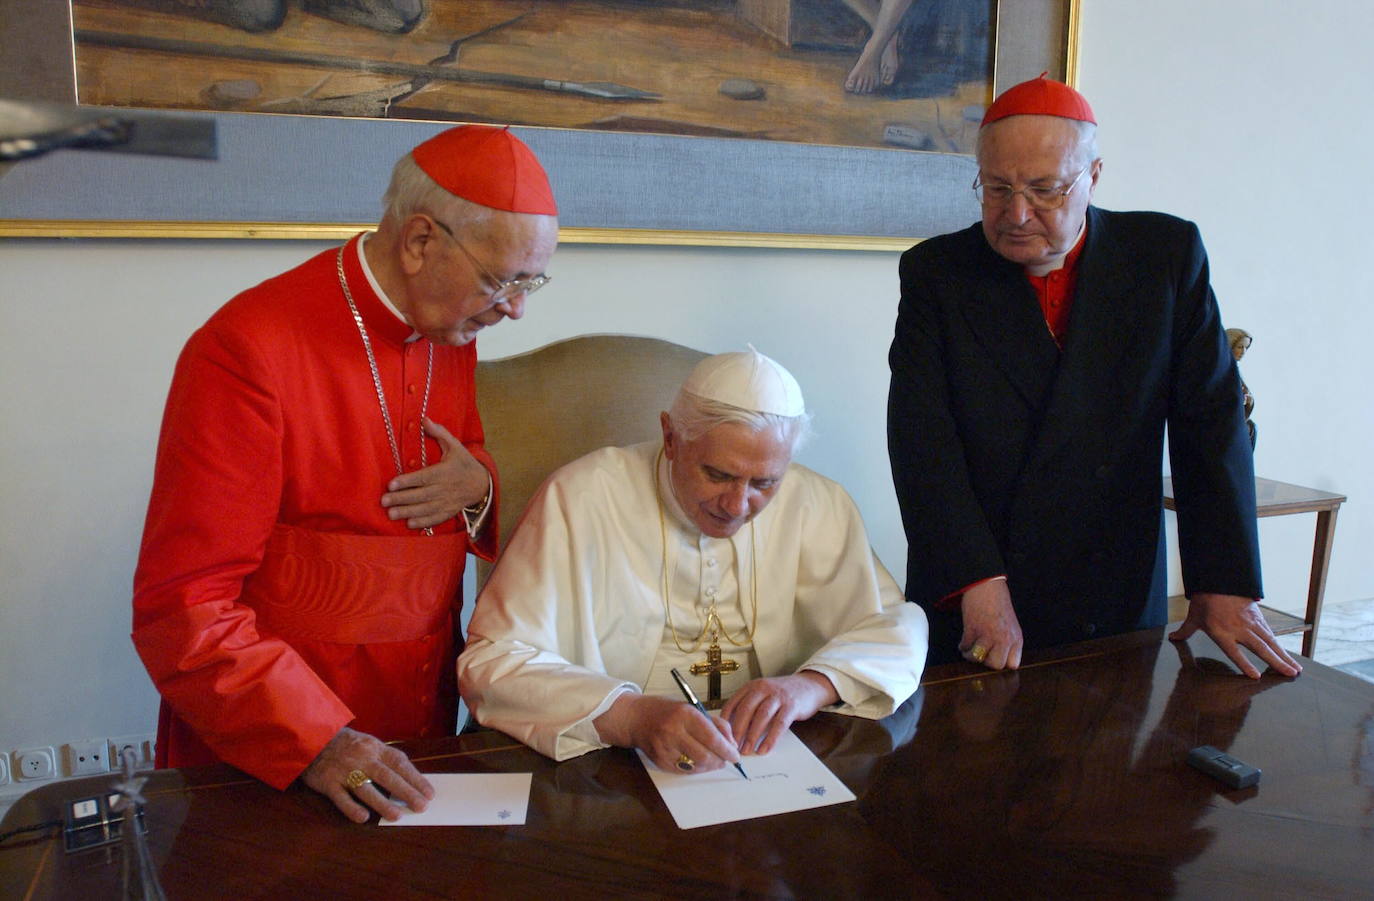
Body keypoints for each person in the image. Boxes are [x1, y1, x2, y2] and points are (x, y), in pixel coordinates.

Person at [131, 124, 559, 822]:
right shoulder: (245, 350)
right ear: (421, 242)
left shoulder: (449, 323)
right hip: (281, 734)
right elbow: (183, 604)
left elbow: (455, 464)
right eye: (500, 279)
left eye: (531, 280)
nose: (515, 307)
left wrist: (479, 487)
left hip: (420, 707)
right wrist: (315, 740)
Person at [887, 75, 1301, 679]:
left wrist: (1222, 579)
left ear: (1094, 178)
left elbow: (1209, 424)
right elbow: (924, 442)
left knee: (1108, 762)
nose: (1017, 214)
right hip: (978, 578)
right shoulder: (937, 273)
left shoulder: (1164, 255)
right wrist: (975, 581)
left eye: (1044, 189)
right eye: (997, 189)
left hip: (1112, 578)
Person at [458, 350, 927, 775]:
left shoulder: (817, 502)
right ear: (670, 436)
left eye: (765, 483)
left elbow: (895, 628)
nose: (738, 504)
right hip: (608, 766)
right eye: (718, 474)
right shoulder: (583, 496)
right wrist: (629, 716)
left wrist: (810, 686)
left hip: (764, 758)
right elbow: (492, 661)